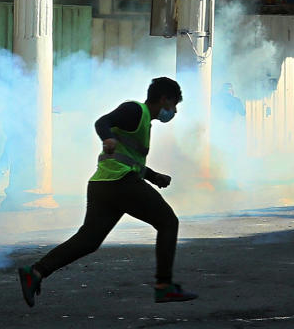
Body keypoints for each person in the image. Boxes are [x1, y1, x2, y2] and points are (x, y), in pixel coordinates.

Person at [17, 77, 197, 307]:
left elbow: (128, 157)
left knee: (89, 240)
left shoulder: (143, 123)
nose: (174, 111)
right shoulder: (135, 110)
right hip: (120, 183)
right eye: (174, 106)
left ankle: (36, 272)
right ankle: (164, 286)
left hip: (103, 184)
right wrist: (107, 137)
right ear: (165, 99)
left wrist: (153, 177)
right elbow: (102, 122)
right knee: (168, 222)